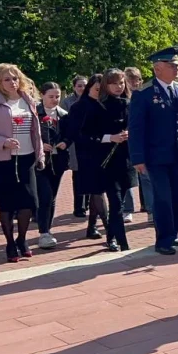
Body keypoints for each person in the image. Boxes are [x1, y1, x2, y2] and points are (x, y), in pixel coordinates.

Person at [129, 46, 178, 256]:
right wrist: (137, 157)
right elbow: (136, 128)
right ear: (158, 68)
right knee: (162, 197)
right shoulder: (144, 93)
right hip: (155, 156)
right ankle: (163, 238)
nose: (177, 68)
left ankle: (175, 230)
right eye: (172, 65)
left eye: (177, 65)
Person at [0, 64, 45, 263]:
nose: (12, 82)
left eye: (15, 78)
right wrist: (2, 142)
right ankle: (10, 243)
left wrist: (40, 154)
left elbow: (36, 131)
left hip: (26, 157)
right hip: (2, 160)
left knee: (29, 202)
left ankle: (22, 239)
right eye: (7, 79)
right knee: (7, 204)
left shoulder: (29, 100)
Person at [87, 69, 135, 252]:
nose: (118, 86)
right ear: (106, 85)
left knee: (121, 202)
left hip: (125, 160)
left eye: (121, 83)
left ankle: (111, 236)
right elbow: (89, 133)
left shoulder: (130, 104)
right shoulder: (98, 106)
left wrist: (131, 134)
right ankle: (121, 241)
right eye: (114, 83)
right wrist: (110, 137)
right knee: (115, 203)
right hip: (106, 161)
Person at [68, 75, 109, 240]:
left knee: (96, 192)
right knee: (97, 192)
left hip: (107, 155)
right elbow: (75, 134)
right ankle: (109, 230)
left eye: (103, 90)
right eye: (97, 89)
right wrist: (102, 138)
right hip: (88, 156)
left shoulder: (107, 105)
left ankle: (92, 226)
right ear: (89, 88)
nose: (100, 93)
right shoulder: (79, 107)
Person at [35, 82, 71, 250]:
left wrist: (65, 142)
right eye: (51, 96)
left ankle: (47, 230)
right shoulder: (34, 112)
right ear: (42, 95)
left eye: (57, 96)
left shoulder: (63, 115)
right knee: (46, 195)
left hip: (58, 161)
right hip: (39, 162)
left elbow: (70, 134)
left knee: (53, 196)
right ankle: (43, 232)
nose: (55, 100)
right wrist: (41, 144)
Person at [62, 75, 89, 218]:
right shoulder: (67, 102)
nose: (82, 88)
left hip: (90, 143)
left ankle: (89, 203)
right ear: (74, 88)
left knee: (90, 173)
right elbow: (65, 122)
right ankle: (79, 207)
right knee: (78, 175)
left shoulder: (92, 99)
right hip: (74, 144)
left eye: (84, 85)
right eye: (79, 86)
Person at [122, 67, 144, 220]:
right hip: (124, 140)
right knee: (127, 176)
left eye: (137, 79)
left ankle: (147, 206)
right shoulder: (123, 99)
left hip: (141, 140)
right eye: (131, 80)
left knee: (145, 175)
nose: (134, 83)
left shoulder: (143, 96)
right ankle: (128, 208)